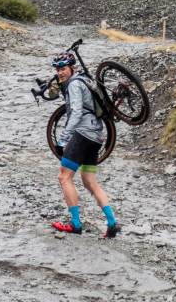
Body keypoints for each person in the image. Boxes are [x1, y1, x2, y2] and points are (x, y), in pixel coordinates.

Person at [49, 51, 120, 238]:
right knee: (89, 181)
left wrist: (63, 139)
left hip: (82, 134)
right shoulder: (84, 81)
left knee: (64, 177)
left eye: (63, 68)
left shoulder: (74, 85)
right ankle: (112, 222)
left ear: (72, 68)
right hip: (97, 136)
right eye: (57, 69)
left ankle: (75, 224)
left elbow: (77, 113)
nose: (60, 73)